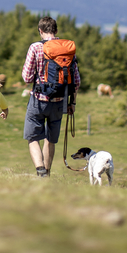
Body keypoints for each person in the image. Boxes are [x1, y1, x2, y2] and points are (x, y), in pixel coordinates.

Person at [21, 16, 80, 177]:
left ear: (40, 31)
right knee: (50, 139)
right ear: (56, 31)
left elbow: (26, 77)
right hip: (60, 101)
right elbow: (76, 81)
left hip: (38, 100)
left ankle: (40, 170)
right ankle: (47, 172)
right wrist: (72, 102)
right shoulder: (68, 49)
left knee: (32, 137)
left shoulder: (35, 47)